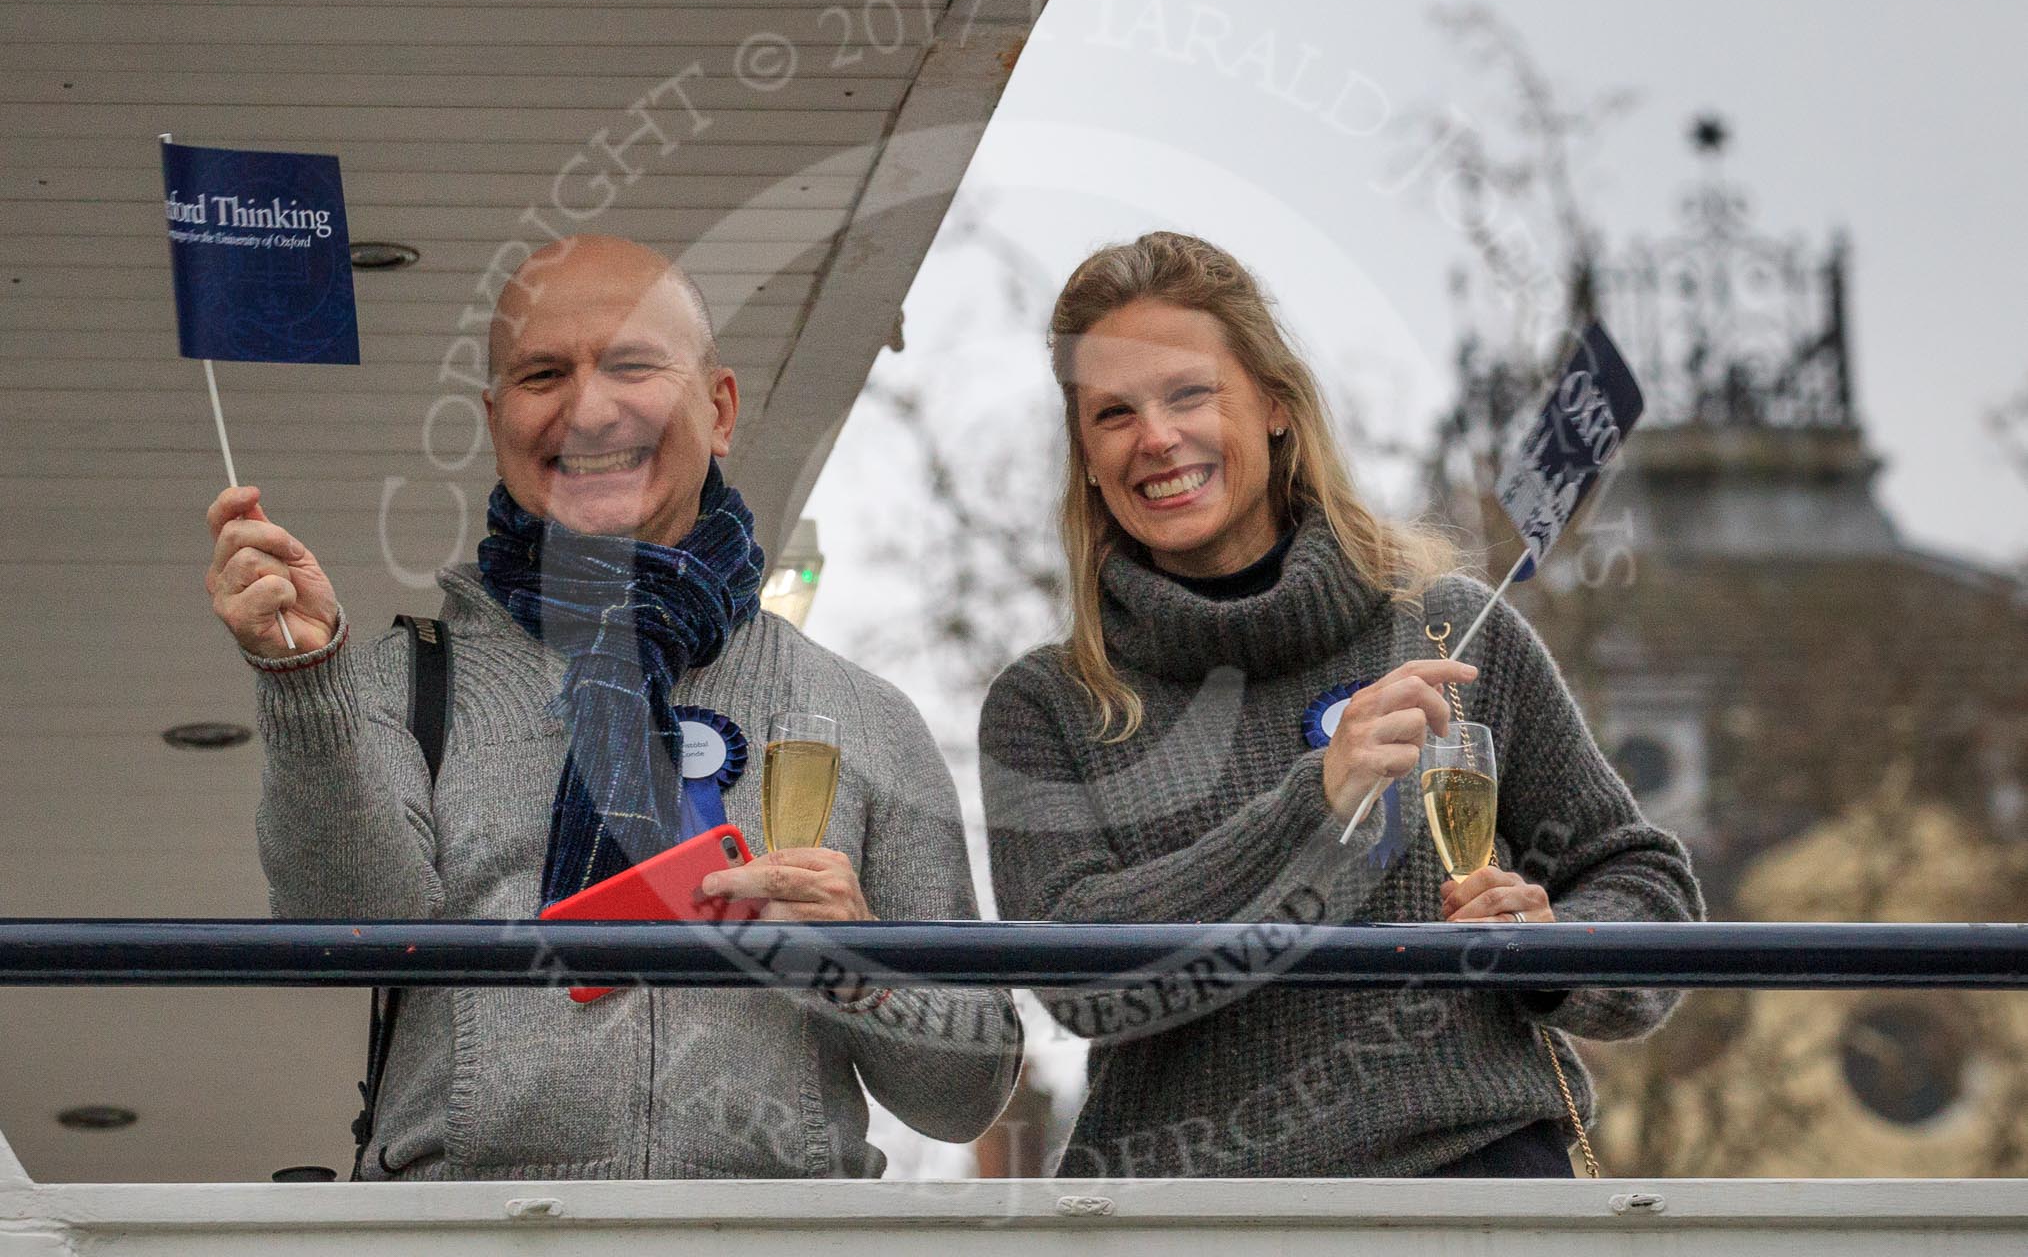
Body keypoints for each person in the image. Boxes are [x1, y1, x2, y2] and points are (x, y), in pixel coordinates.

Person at [206, 235, 1020, 1180]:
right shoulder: (400, 680)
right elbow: (342, 931)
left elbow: (964, 1097)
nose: (589, 410)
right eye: (543, 374)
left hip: (772, 1247)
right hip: (470, 1242)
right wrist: (305, 687)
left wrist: (857, 964)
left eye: (632, 365)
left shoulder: (862, 715)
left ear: (718, 409)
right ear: (496, 417)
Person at [980, 231, 1701, 1178]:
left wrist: (1552, 943)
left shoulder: (1451, 632)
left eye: (1190, 394)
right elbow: (1081, 977)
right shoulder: (1052, 705)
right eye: (1114, 413)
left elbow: (1650, 889)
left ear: (1276, 405)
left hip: (1475, 1189)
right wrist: (1316, 799)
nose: (1156, 438)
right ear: (1086, 456)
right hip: (1187, 1220)